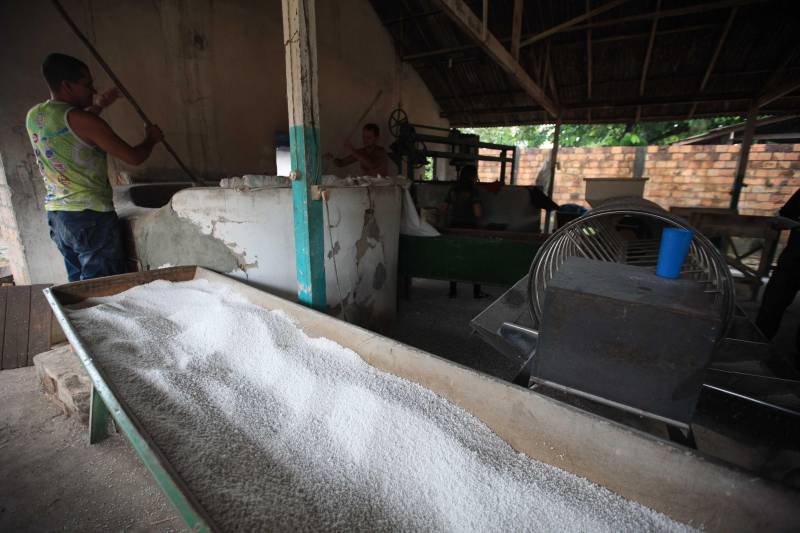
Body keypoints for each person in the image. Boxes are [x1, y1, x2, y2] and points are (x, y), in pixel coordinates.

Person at [26, 53, 164, 282]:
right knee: (104, 290)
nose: (94, 90)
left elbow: (71, 128)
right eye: (87, 84)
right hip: (91, 217)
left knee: (80, 288)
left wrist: (98, 106)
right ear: (67, 86)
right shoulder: (87, 122)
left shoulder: (35, 116)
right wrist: (151, 139)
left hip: (59, 216)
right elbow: (134, 157)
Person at [756, 187, 800, 370]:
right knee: (772, 305)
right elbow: (784, 216)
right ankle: (755, 345)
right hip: (794, 259)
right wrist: (780, 222)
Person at [442, 165, 488, 299]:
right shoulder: (473, 192)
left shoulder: (453, 190)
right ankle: (477, 291)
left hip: (454, 227)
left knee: (454, 258)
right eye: (475, 175)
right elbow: (478, 213)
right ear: (472, 176)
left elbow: (443, 209)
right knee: (475, 260)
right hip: (470, 229)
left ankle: (452, 291)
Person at [324, 123, 390, 177]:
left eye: (369, 137)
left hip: (381, 187)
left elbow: (371, 164)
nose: (365, 140)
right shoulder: (361, 152)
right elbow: (341, 163)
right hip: (367, 187)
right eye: (364, 137)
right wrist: (332, 159)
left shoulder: (381, 152)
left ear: (376, 138)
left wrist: (352, 150)